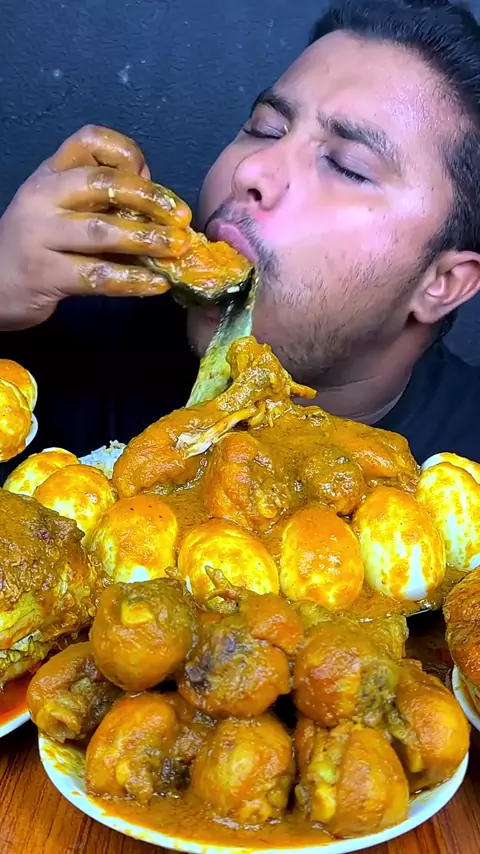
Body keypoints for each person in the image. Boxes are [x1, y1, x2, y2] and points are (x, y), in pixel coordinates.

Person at [1, 0, 480, 477]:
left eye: (346, 166)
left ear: (444, 283)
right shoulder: (67, 319)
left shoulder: (462, 477)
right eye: (265, 130)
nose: (251, 170)